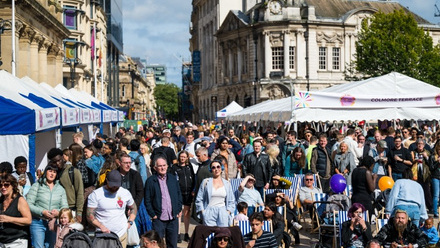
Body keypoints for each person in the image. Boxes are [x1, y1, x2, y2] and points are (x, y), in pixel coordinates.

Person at [87, 170, 137, 247]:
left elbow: (133, 207)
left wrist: (130, 222)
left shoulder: (125, 193)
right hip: (103, 237)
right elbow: (89, 215)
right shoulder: (96, 194)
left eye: (116, 186)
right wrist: (101, 226)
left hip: (121, 235)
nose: (114, 188)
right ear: (107, 181)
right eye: (112, 185)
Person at [27, 163, 69, 248]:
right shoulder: (37, 185)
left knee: (51, 246)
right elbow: (28, 204)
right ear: (46, 172)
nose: (52, 174)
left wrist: (58, 213)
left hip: (53, 223)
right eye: (50, 171)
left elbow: (65, 207)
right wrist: (42, 212)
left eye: (54, 172)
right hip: (38, 222)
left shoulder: (60, 189)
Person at [144, 156, 182, 248]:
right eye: (160, 166)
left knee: (173, 244)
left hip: (172, 218)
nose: (162, 168)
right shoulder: (151, 181)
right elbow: (147, 200)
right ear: (155, 168)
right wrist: (153, 215)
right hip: (159, 219)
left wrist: (178, 209)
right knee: (158, 245)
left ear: (167, 166)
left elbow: (179, 194)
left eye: (164, 165)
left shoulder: (173, 179)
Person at [47, 148, 84, 222]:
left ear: (63, 157)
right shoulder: (51, 173)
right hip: (55, 210)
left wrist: (79, 212)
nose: (57, 163)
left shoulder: (73, 172)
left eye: (59, 160)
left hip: (70, 209)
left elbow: (80, 192)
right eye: (54, 162)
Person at [195, 160, 235, 227]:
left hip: (223, 212)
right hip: (209, 211)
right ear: (211, 170)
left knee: (222, 234)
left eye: (218, 167)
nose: (216, 169)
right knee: (209, 234)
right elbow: (199, 199)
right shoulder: (206, 182)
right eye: (213, 167)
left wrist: (227, 212)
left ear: (221, 168)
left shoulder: (227, 183)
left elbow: (231, 200)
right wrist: (203, 212)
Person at [170, 151, 195, 242]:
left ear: (187, 158)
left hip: (188, 193)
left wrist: (193, 189)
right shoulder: (175, 167)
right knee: (178, 213)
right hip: (179, 193)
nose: (182, 158)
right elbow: (172, 180)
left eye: (184, 157)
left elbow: (193, 177)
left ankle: (186, 233)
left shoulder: (189, 166)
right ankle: (178, 233)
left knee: (187, 213)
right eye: (181, 156)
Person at [0, 174, 32, 247]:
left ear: (13, 186)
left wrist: (8, 219)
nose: (3, 187)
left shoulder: (20, 200)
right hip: (2, 242)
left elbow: (28, 220)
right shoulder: (1, 200)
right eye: (0, 185)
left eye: (6, 185)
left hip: (17, 241)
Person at [411, 138, 432, 212]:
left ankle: (430, 207)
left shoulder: (427, 152)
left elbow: (430, 164)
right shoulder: (413, 152)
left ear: (424, 145)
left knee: (427, 192)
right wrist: (414, 161)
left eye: (421, 144)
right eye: (418, 144)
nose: (420, 145)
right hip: (416, 173)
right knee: (417, 191)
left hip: (424, 174)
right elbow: (410, 162)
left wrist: (426, 157)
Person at [430, 144, 440, 217]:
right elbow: (431, 168)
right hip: (435, 177)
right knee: (436, 194)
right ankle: (435, 211)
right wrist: (437, 162)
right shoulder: (433, 157)